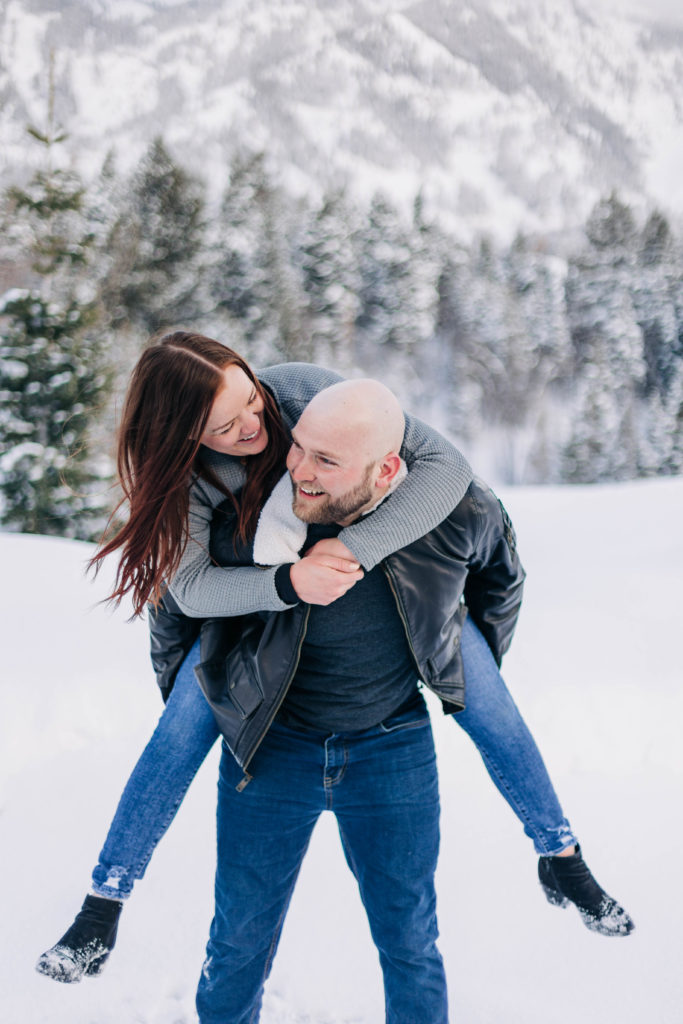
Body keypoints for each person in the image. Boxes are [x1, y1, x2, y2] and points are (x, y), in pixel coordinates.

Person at [35, 335, 632, 991]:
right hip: (250, 630)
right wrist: (290, 583)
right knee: (178, 733)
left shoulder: (302, 394)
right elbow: (190, 592)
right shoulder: (190, 483)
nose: (254, 426)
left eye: (250, 401)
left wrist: (354, 551)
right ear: (184, 436)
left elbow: (448, 473)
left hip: (410, 612)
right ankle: (105, 901)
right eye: (226, 426)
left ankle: (560, 854)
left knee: (490, 707)